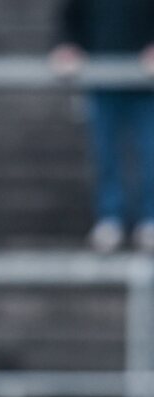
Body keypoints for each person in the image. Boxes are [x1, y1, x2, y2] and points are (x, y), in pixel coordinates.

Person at [50, 0, 154, 253]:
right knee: (104, 149)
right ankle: (110, 217)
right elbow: (70, 16)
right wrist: (68, 46)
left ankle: (150, 217)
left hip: (147, 80)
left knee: (150, 149)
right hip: (101, 75)